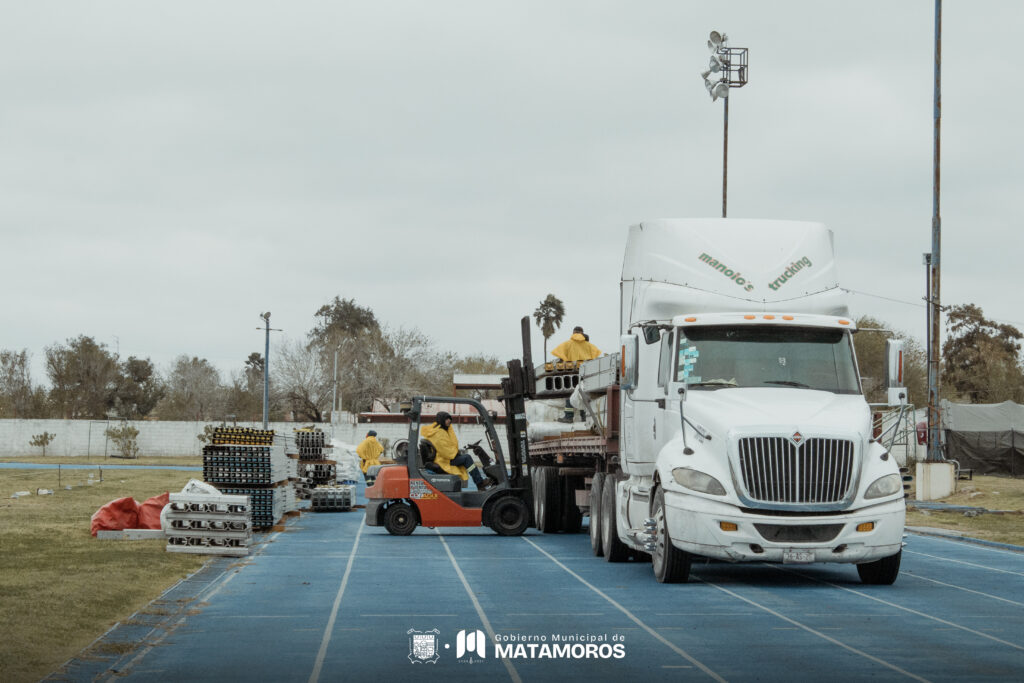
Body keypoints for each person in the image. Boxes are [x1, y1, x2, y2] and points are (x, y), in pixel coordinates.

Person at [420, 411, 495, 490]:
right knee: (467, 458)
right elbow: (445, 451)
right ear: (441, 420)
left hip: (445, 458)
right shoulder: (439, 433)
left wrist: (456, 452)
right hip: (443, 460)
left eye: (450, 419)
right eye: (447, 419)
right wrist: (456, 453)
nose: (449, 421)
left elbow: (448, 446)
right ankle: (479, 483)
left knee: (465, 458)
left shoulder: (441, 430)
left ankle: (479, 483)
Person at [551, 327, 602, 422]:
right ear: (582, 333)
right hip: (586, 374)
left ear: (573, 332)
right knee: (582, 395)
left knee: (570, 394)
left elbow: (558, 354)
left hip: (571, 374)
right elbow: (596, 356)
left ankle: (568, 417)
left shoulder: (567, 344)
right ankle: (584, 417)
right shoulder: (589, 345)